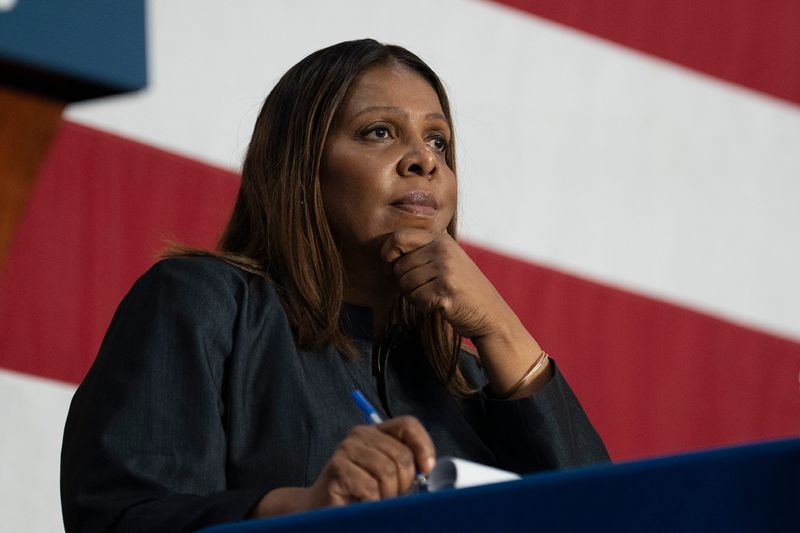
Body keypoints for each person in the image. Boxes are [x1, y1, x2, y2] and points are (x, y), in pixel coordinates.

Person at [60, 39, 609, 533]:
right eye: (379, 132)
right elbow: (118, 518)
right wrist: (302, 508)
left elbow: (613, 516)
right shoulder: (204, 303)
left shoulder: (469, 382)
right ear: (303, 165)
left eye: (438, 142)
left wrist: (502, 330)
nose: (423, 161)